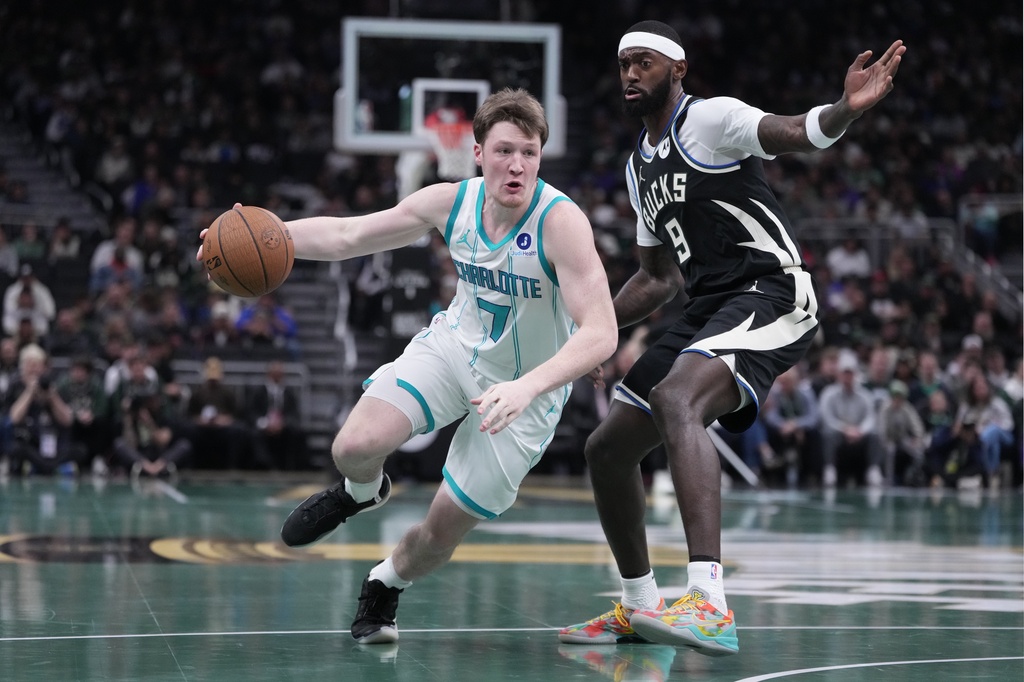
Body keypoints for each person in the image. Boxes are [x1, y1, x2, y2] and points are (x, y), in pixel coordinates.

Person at [202, 89, 617, 644]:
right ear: (477, 152)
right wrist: (265, 237)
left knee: (438, 536)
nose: (517, 165)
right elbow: (350, 235)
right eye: (504, 151)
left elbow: (603, 332)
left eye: (530, 153)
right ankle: (360, 491)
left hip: (526, 394)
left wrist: (528, 385)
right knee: (351, 447)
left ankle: (386, 582)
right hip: (453, 351)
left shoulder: (561, 223)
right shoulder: (452, 202)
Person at [558, 21, 904, 656]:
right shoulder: (638, 166)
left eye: (643, 63)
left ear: (678, 69)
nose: (630, 74)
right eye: (623, 65)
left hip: (771, 289)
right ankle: (641, 606)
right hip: (706, 305)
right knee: (607, 449)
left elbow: (795, 132)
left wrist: (843, 111)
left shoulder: (712, 119)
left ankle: (710, 604)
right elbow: (658, 279)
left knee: (676, 400)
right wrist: (595, 331)